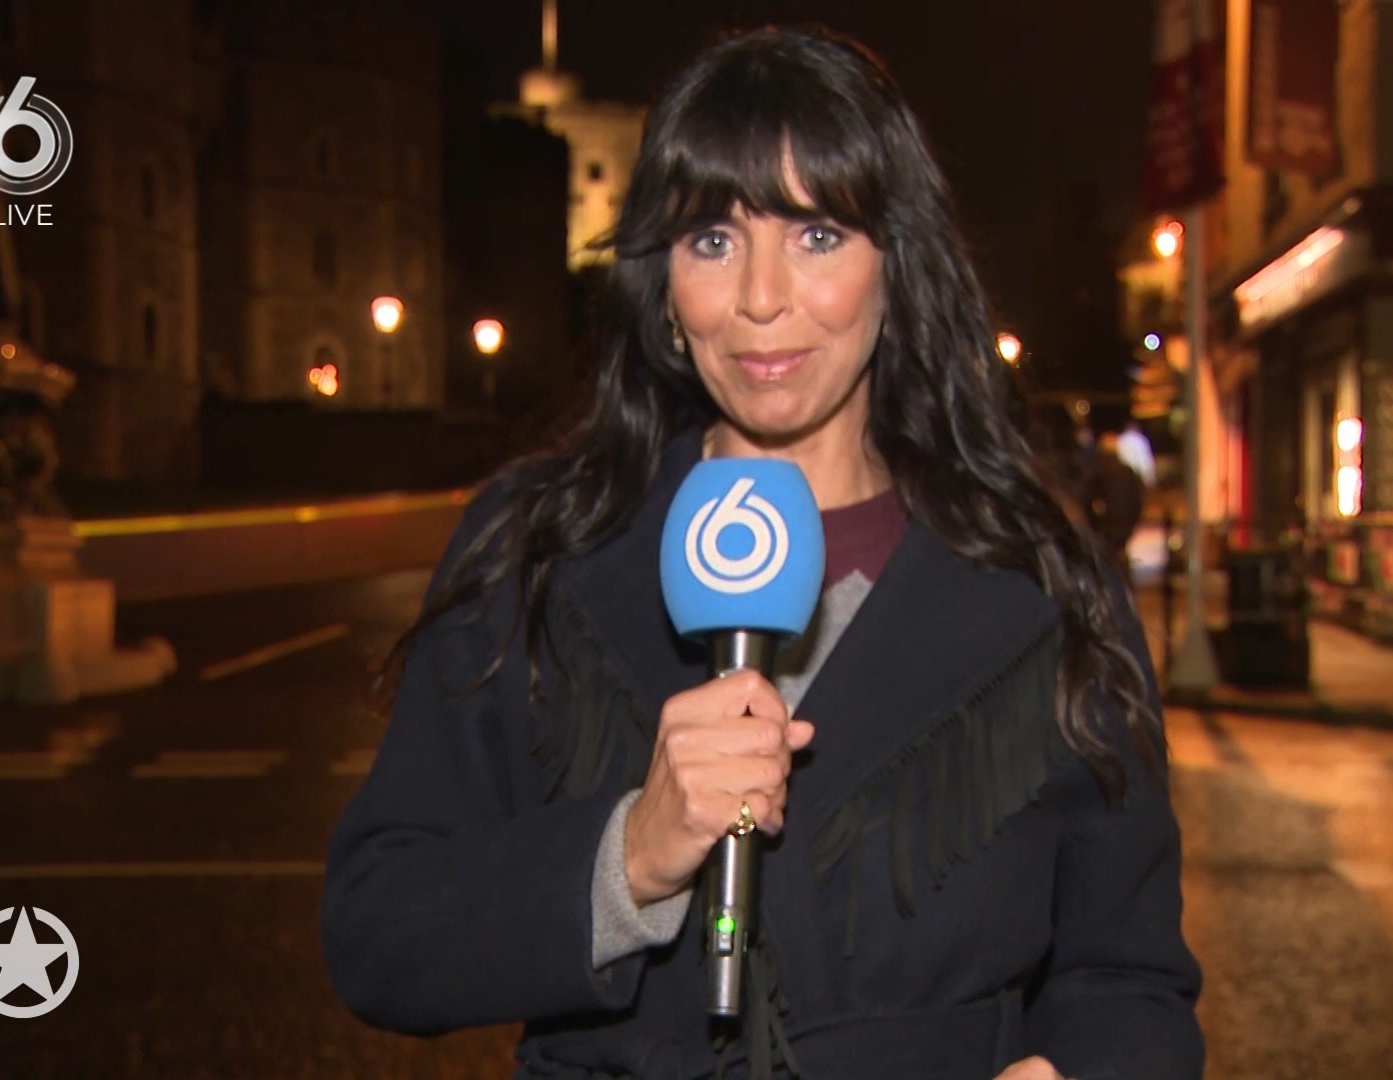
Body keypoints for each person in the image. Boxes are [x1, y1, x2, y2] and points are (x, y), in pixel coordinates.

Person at [321, 26, 1202, 1080]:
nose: (760, 298)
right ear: (662, 281)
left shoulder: (1045, 588)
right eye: (712, 240)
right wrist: (626, 859)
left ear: (896, 263)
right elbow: (378, 931)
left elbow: (1132, 985)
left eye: (818, 234)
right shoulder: (538, 551)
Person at [1081, 430, 1147, 587]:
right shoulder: (1128, 472)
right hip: (1123, 526)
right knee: (1120, 563)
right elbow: (1138, 499)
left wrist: (1094, 521)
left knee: (1107, 565)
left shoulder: (1097, 471)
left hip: (1105, 527)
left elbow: (1085, 499)